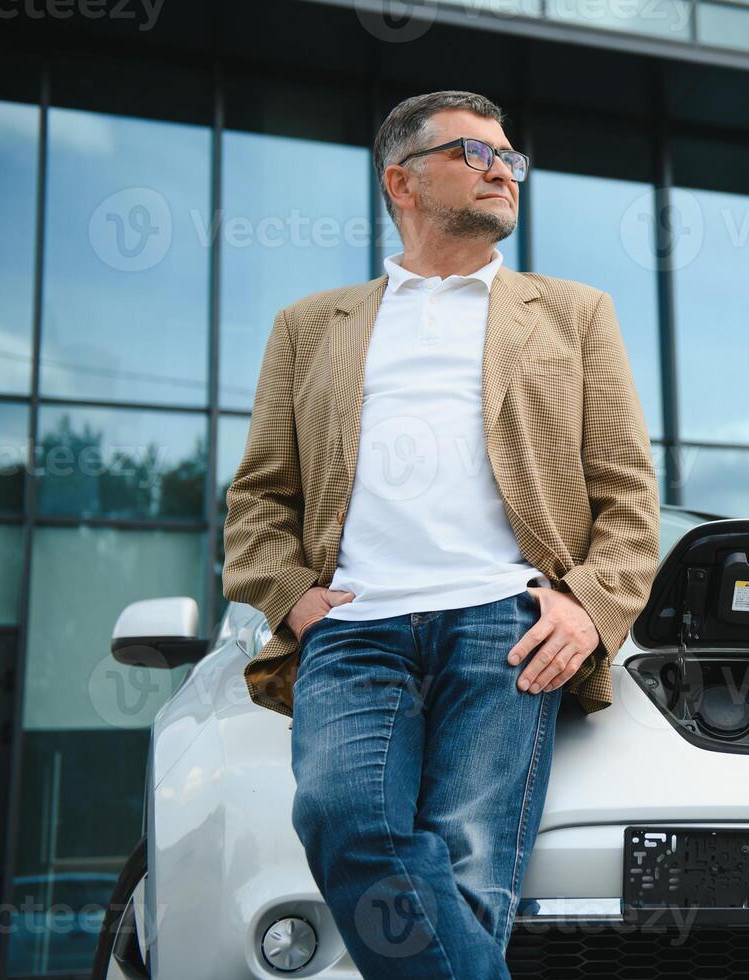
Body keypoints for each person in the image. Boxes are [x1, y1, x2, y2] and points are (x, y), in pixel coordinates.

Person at [220, 90, 660, 979]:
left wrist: (587, 609)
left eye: (510, 157)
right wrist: (293, 597)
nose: (504, 171)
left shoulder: (573, 313)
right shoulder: (311, 326)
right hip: (352, 626)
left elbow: (626, 495)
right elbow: (260, 496)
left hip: (506, 624)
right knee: (344, 818)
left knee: (469, 875)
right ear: (404, 181)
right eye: (476, 153)